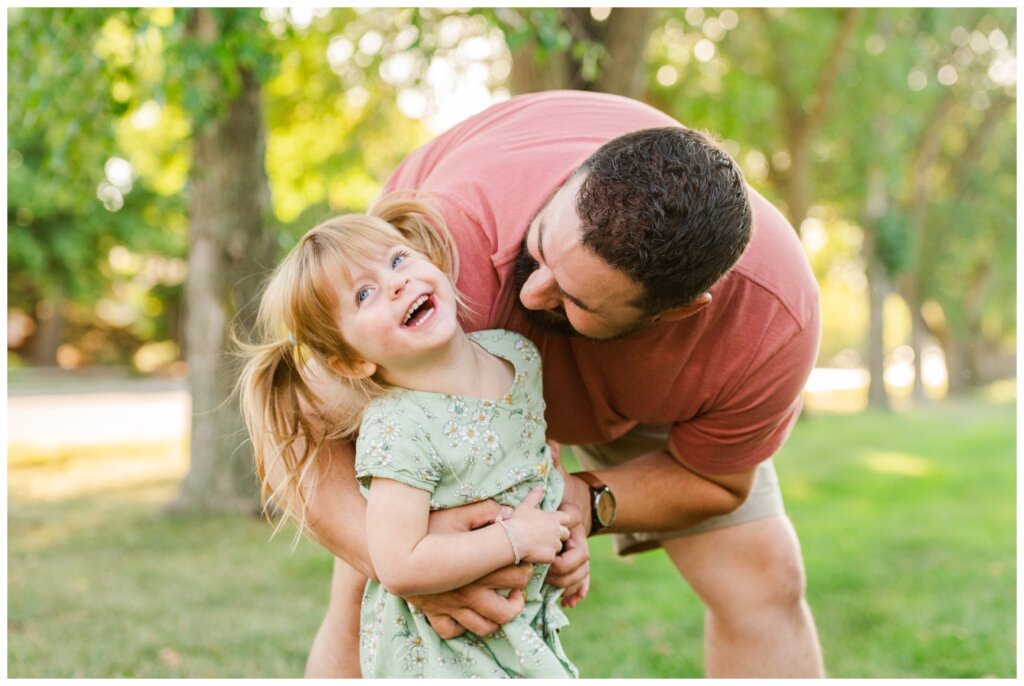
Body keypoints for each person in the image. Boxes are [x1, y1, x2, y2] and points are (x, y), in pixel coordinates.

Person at [292, 90, 824, 678]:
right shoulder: (431, 262)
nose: (531, 295)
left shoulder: (770, 324)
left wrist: (585, 502)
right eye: (541, 249)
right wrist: (413, 566)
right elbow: (292, 417)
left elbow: (716, 481)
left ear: (676, 312)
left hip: (642, 397)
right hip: (456, 367)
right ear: (579, 174)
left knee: (766, 581)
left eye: (572, 298)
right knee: (363, 603)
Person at [238, 199, 581, 677]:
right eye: (364, 295)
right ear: (351, 361)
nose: (396, 282)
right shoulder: (399, 428)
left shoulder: (516, 354)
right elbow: (399, 562)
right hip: (444, 652)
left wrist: (566, 537)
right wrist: (515, 538)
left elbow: (539, 462)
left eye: (398, 260)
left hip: (522, 629)